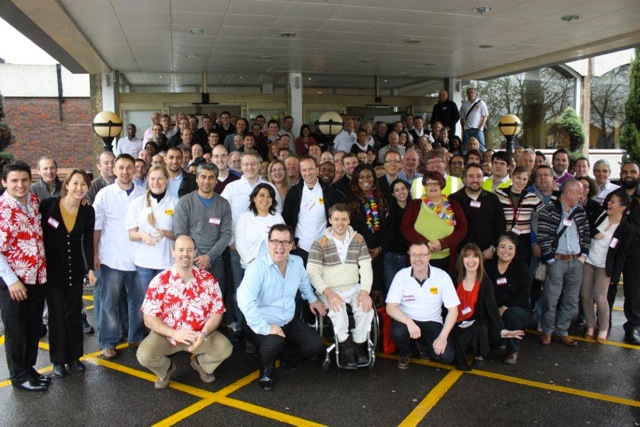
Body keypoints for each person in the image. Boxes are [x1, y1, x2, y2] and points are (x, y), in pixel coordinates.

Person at [237, 224, 327, 391]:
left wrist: (312, 300)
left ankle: (286, 356)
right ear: (268, 243)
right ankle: (266, 368)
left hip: (287, 319)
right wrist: (267, 328)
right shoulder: (257, 268)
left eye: (285, 242)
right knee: (273, 343)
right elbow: (244, 300)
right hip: (260, 321)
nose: (280, 246)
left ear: (292, 245)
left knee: (315, 347)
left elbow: (304, 283)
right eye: (275, 241)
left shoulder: (297, 263)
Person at [136, 235, 233, 389]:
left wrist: (204, 333)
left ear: (195, 253)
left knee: (225, 348)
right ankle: (166, 369)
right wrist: (173, 333)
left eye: (189, 250)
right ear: (173, 253)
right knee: (144, 355)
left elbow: (217, 312)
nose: (185, 254)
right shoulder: (159, 281)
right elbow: (148, 318)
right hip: (167, 336)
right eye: (180, 250)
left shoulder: (208, 280)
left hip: (198, 335)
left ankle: (201, 364)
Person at [40, 169, 96, 378]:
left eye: (84, 184)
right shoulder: (49, 205)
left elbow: (87, 241)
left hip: (74, 269)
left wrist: (90, 268)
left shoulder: (87, 211)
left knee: (74, 313)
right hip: (52, 270)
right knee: (56, 315)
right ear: (67, 185)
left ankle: (74, 357)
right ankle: (58, 360)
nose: (79, 188)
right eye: (75, 183)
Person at [0, 161, 49, 391]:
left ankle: (29, 369)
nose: (20, 185)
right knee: (16, 330)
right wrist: (12, 281)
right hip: (14, 281)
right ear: (4, 182)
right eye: (14, 181)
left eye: (24, 180)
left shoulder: (33, 200)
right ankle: (19, 377)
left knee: (33, 327)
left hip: (37, 277)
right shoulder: (3, 209)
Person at [307, 203, 374, 368]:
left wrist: (365, 292)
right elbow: (312, 272)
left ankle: (358, 346)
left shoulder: (358, 239)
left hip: (353, 287)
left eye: (344, 219)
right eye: (336, 219)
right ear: (330, 220)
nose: (340, 223)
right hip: (329, 289)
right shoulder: (319, 243)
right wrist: (329, 293)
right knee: (338, 311)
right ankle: (345, 349)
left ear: (349, 220)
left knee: (366, 308)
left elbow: (366, 267)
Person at [93, 154, 147, 359]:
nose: (125, 172)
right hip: (112, 259)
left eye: (129, 167)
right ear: (114, 170)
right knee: (109, 304)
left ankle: (136, 336)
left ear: (135, 169)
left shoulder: (143, 193)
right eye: (121, 167)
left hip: (138, 259)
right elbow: (96, 229)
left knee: (138, 302)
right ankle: (108, 341)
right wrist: (94, 254)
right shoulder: (104, 194)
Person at [451, 243, 524, 371]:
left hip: (475, 324)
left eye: (475, 256)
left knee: (480, 327)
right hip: (456, 322)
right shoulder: (453, 278)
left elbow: (492, 307)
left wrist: (502, 330)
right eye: (467, 256)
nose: (471, 260)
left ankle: (480, 353)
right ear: (462, 260)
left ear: (480, 259)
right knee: (449, 355)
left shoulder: (485, 282)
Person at [386, 242, 458, 369]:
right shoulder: (401, 275)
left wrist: (443, 337)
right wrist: (409, 322)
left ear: (429, 256)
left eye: (422, 255)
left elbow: (453, 310)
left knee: (447, 357)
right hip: (407, 322)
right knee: (398, 332)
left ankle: (423, 345)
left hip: (432, 321)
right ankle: (406, 352)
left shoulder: (442, 276)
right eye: (414, 255)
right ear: (409, 256)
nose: (418, 259)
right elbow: (390, 307)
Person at [537, 179, 590, 346]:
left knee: (571, 300)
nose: (581, 196)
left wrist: (583, 256)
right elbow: (542, 236)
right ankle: (547, 331)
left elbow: (586, 234)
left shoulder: (580, 211)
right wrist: (550, 259)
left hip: (576, 261)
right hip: (557, 261)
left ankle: (562, 331)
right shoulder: (548, 210)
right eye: (579, 193)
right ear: (569, 193)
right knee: (551, 299)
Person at [582, 190, 629, 344]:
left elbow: (621, 255)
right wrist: (594, 232)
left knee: (600, 297)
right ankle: (590, 325)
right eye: (609, 201)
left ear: (622, 207)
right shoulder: (601, 215)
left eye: (613, 202)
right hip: (589, 261)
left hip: (604, 266)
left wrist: (615, 276)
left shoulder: (625, 228)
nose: (608, 203)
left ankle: (603, 328)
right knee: (585, 295)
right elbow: (587, 227)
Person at [126, 165, 177, 305]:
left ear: (167, 180)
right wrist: (142, 235)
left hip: (166, 263)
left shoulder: (175, 202)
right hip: (144, 263)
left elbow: (180, 234)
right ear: (148, 180)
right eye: (153, 178)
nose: (156, 182)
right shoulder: (138, 203)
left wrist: (166, 233)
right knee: (145, 304)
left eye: (160, 178)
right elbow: (131, 234)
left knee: (165, 304)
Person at [401, 171, 467, 273]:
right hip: (419, 259)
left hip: (445, 260)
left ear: (442, 185)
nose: (432, 186)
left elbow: (462, 228)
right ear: (424, 186)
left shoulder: (453, 205)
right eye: (429, 184)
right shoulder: (414, 205)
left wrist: (443, 243)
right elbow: (405, 228)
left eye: (436, 183)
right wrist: (425, 244)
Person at [283, 155, 340, 264]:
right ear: (300, 171)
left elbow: (337, 218)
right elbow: (287, 218)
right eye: (304, 170)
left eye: (310, 169)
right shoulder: (294, 192)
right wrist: (289, 240)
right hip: (300, 248)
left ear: (317, 169)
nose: (308, 173)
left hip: (324, 247)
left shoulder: (329, 192)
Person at [484, 234, 531, 364]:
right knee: (494, 338)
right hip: (495, 309)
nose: (506, 251)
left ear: (515, 250)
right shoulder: (489, 265)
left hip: (517, 309)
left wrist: (505, 307)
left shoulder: (521, 266)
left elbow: (525, 293)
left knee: (511, 315)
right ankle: (501, 340)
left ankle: (512, 351)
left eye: (510, 248)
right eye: (503, 246)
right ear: (496, 248)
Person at [346, 164, 389, 303]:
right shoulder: (349, 201)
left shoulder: (382, 199)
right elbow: (347, 228)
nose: (366, 180)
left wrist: (380, 248)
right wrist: (363, 250)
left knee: (378, 293)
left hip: (379, 254)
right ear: (356, 180)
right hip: (358, 254)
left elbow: (390, 227)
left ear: (374, 179)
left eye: (369, 176)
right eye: (361, 177)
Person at [450, 164, 506, 260]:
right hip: (461, 256)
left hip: (487, 255)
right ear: (465, 178)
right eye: (471, 176)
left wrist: (492, 248)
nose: (475, 180)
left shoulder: (492, 199)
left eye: (479, 176)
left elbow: (500, 226)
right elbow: (449, 227)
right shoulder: (453, 199)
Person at [495, 166, 542, 265]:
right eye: (518, 177)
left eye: (524, 179)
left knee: (522, 268)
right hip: (504, 237)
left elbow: (546, 212)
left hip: (523, 240)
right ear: (512, 177)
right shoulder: (499, 194)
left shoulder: (532, 197)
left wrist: (555, 193)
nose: (521, 182)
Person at [235, 183, 284, 269]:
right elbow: (240, 243)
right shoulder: (244, 217)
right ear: (254, 198)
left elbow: (283, 240)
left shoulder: (277, 217)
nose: (265, 199)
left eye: (269, 196)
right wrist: (253, 262)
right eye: (262, 195)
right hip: (250, 267)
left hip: (274, 267)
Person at [383, 179, 411, 292]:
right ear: (393, 194)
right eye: (397, 190)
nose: (401, 192)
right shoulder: (388, 209)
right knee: (392, 290)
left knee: (407, 290)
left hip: (408, 257)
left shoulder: (414, 208)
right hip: (390, 256)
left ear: (408, 190)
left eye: (403, 188)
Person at [459, 88, 489, 152]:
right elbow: (462, 118)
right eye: (469, 93)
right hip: (467, 130)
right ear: (467, 94)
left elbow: (485, 117)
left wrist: (480, 128)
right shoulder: (464, 105)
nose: (470, 94)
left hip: (477, 130)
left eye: (472, 92)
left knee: (481, 148)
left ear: (475, 93)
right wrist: (463, 129)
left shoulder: (481, 103)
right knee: (466, 148)